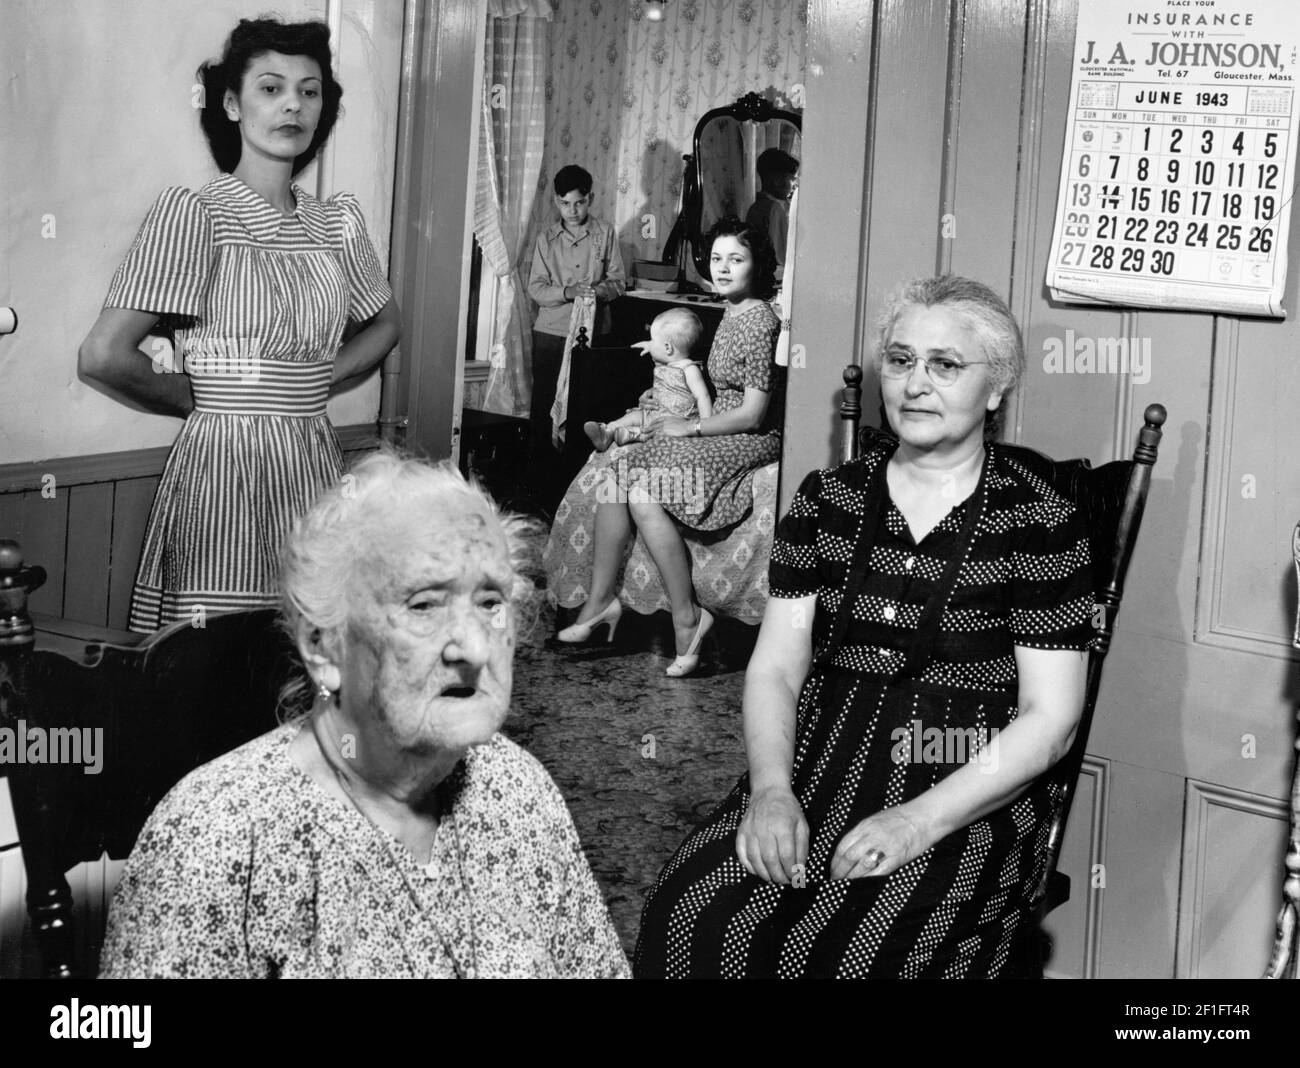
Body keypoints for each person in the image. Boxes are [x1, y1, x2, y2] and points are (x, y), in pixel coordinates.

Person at [633, 276, 1095, 978]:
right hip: (817, 766)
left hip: (965, 787)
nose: (915, 383)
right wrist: (769, 791)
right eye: (902, 360)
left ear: (996, 388)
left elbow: (1051, 721)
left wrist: (916, 822)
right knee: (689, 916)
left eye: (946, 365)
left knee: (857, 959)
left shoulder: (1039, 524)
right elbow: (778, 667)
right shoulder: (829, 500)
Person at [99, 450, 630, 979]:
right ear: (324, 649)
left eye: (491, 602)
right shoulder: (217, 839)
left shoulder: (517, 787)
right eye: (424, 605)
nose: (473, 647)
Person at [78, 18, 400, 632]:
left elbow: (386, 324)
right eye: (271, 88)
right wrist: (206, 397)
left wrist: (313, 382)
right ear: (231, 103)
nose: (293, 106)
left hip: (313, 462)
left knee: (310, 651)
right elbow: (102, 355)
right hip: (225, 471)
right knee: (221, 668)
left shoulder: (337, 223)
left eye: (310, 91)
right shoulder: (196, 213)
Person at [557, 218, 783, 677]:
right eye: (716, 259)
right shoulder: (732, 311)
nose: (722, 269)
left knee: (636, 475)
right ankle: (617, 605)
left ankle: (681, 616)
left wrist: (692, 428)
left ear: (756, 266)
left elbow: (753, 414)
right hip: (721, 426)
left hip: (746, 437)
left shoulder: (760, 321)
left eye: (735, 260)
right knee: (626, 480)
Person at [526, 164, 626, 509]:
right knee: (545, 411)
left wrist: (597, 291)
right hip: (552, 335)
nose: (573, 211)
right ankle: (543, 493)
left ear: (590, 199)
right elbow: (535, 288)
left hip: (593, 335)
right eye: (565, 204)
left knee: (586, 412)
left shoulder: (605, 233)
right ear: (556, 201)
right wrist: (569, 291)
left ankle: (580, 497)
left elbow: (618, 281)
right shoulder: (545, 239)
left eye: (580, 203)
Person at [584, 308, 711, 450]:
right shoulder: (666, 361)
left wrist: (706, 426)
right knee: (633, 416)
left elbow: (703, 397)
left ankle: (632, 434)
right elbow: (660, 349)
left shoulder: (689, 369)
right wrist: (650, 345)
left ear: (667, 348)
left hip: (678, 420)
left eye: (652, 340)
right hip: (655, 413)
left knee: (655, 432)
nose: (649, 344)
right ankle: (608, 432)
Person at [744, 148, 799, 279]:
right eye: (793, 179)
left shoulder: (755, 207)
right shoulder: (775, 209)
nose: (794, 185)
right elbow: (779, 255)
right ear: (777, 181)